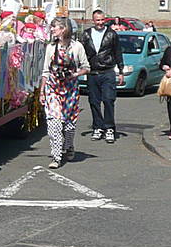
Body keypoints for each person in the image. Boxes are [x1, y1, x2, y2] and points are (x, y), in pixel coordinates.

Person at [40, 17, 90, 169]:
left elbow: (86, 67)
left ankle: (68, 145)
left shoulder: (77, 47)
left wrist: (74, 74)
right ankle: (56, 157)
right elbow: (46, 71)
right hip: (53, 89)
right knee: (54, 122)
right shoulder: (50, 47)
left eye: (55, 27)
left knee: (68, 124)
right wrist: (42, 91)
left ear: (63, 29)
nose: (52, 29)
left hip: (70, 90)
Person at [80, 9, 124, 143]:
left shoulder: (112, 34)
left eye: (102, 20)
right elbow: (81, 52)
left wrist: (121, 71)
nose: (100, 23)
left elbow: (117, 52)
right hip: (93, 73)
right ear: (93, 21)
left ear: (105, 20)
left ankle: (109, 128)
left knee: (108, 100)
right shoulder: (86, 35)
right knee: (94, 101)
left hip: (108, 72)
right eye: (97, 20)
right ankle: (98, 127)